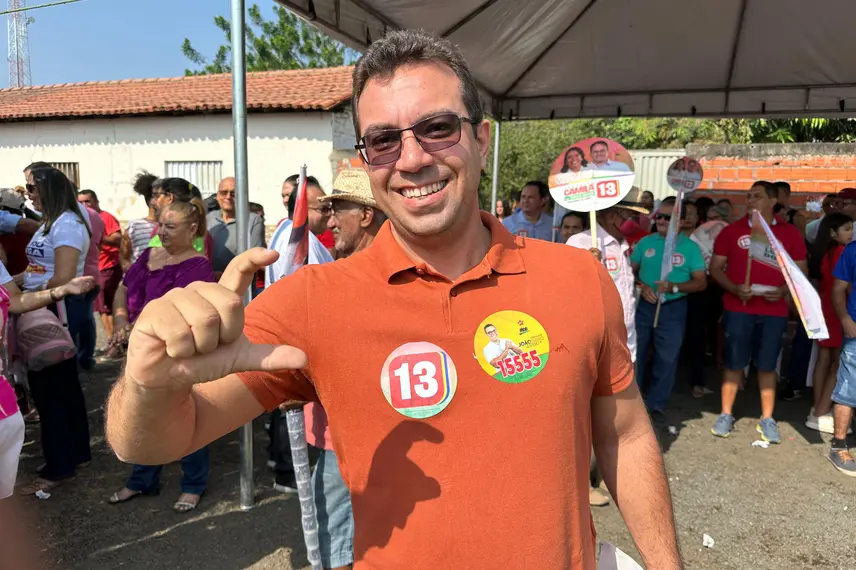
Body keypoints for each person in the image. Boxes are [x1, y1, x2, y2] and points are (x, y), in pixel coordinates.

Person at [106, 29, 682, 569]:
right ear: (366, 162)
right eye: (383, 140)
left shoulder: (577, 277)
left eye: (437, 128)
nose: (410, 160)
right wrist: (150, 382)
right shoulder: (314, 300)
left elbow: (625, 434)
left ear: (481, 138)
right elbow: (153, 442)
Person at [107, 198, 215, 512]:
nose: (162, 232)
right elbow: (123, 288)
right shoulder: (149, 254)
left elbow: (184, 313)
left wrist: (139, 328)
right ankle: (143, 479)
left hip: (175, 353)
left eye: (170, 227)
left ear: (192, 229)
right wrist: (120, 319)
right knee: (142, 416)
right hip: (140, 350)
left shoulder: (198, 265)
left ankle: (193, 484)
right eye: (160, 225)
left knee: (187, 416)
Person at [307, 169, 386, 569]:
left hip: (360, 435)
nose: (331, 220)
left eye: (339, 210)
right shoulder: (336, 274)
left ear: (368, 215)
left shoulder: (378, 277)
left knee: (337, 536)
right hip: (337, 430)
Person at [567, 187, 650, 506]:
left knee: (614, 411)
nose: (632, 222)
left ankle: (603, 471)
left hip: (624, 339)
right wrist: (586, 267)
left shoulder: (622, 243)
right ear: (614, 214)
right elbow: (568, 290)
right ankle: (581, 484)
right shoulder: (581, 243)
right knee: (586, 412)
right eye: (629, 216)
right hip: (595, 339)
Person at [709, 181, 807, 443]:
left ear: (774, 201)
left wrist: (784, 292)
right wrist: (733, 287)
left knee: (766, 365)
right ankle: (725, 414)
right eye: (749, 196)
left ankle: (767, 418)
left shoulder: (789, 234)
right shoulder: (732, 231)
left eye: (758, 196)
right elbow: (716, 268)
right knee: (733, 363)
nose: (751, 200)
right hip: (737, 307)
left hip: (773, 310)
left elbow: (801, 271)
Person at [18, 166, 92, 495]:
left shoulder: (68, 225)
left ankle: (60, 464)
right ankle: (73, 453)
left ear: (50, 188)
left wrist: (28, 292)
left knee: (50, 391)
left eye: (32, 187)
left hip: (52, 309)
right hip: (44, 303)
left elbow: (62, 277)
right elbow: (38, 268)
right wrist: (14, 286)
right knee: (62, 387)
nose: (28, 192)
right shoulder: (52, 222)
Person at [632, 198, 707, 426]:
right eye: (660, 216)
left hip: (673, 307)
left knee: (667, 358)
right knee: (637, 354)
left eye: (669, 217)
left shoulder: (690, 248)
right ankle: (633, 403)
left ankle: (655, 405)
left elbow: (701, 282)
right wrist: (641, 286)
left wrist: (674, 287)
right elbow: (629, 273)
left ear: (682, 221)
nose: (662, 221)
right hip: (645, 306)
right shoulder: (645, 244)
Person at [805, 213, 854, 433]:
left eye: (851, 228)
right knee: (839, 363)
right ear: (833, 233)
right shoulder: (844, 252)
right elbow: (845, 287)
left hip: (825, 307)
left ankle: (817, 408)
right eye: (846, 229)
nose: (851, 233)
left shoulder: (826, 252)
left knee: (825, 359)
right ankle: (822, 412)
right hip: (838, 309)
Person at [77, 189, 123, 343]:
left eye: (87, 201)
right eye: (81, 201)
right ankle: (113, 340)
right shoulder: (80, 218)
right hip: (94, 268)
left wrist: (98, 237)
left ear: (96, 201)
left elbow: (117, 238)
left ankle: (113, 341)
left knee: (106, 307)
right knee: (101, 308)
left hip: (107, 267)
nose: (84, 204)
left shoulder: (105, 217)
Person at [830, 233, 856, 475]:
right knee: (848, 389)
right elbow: (837, 288)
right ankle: (838, 446)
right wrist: (845, 319)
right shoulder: (852, 250)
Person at [207, 177, 266, 281]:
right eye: (224, 192)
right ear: (217, 196)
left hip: (240, 285)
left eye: (233, 193)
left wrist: (227, 274)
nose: (228, 197)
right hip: (210, 283)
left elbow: (255, 257)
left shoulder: (253, 220)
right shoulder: (208, 218)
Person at [148, 177, 214, 261]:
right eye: (161, 225)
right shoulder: (203, 234)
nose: (153, 201)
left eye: (157, 196)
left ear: (170, 197)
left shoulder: (162, 236)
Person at [121, 171, 159, 271]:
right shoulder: (133, 226)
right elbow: (124, 257)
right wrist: (131, 272)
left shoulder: (173, 227)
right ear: (150, 201)